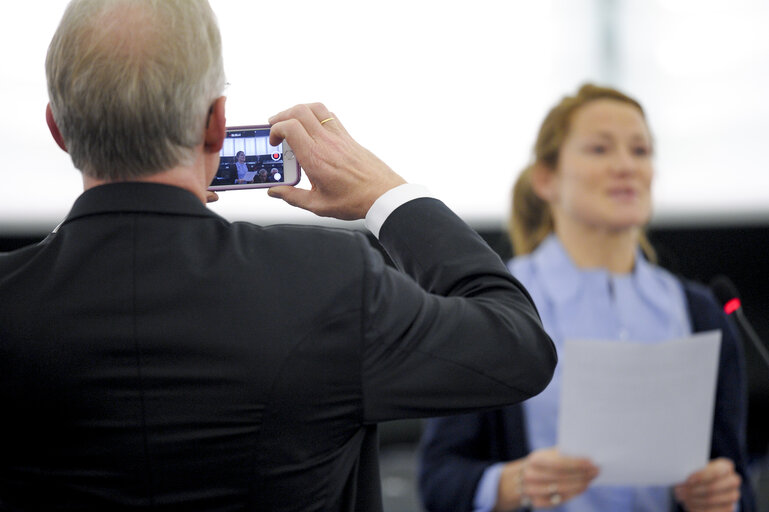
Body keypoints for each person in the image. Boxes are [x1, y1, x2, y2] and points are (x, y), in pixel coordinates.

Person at [0, 1, 557, 510]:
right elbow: (518, 348)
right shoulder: (328, 282)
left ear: (59, 129)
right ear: (216, 123)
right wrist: (385, 195)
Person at [418, 84, 755, 512]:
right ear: (546, 178)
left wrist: (722, 496)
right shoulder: (489, 307)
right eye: (599, 149)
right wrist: (515, 482)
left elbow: (738, 483)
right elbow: (437, 481)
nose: (626, 166)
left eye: (641, 151)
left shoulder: (702, 311)